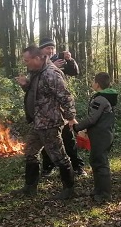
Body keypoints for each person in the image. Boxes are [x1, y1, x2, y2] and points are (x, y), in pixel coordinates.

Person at [13, 45, 78, 199]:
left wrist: (71, 117)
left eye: (27, 60)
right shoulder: (36, 72)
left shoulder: (51, 73)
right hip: (38, 122)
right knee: (30, 152)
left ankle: (69, 189)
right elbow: (38, 92)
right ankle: (30, 188)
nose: (25, 63)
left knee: (59, 156)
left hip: (50, 123)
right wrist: (25, 85)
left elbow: (65, 96)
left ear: (37, 58)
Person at [37, 37, 86, 177]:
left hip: (61, 109)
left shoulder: (58, 59)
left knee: (68, 139)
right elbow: (35, 82)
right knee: (47, 141)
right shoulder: (37, 63)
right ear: (41, 50)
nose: (51, 50)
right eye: (47, 48)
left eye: (52, 48)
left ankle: (77, 166)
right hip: (45, 112)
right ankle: (48, 167)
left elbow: (74, 72)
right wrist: (52, 66)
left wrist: (70, 60)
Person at [73, 72, 117, 204]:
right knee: (95, 161)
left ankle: (104, 194)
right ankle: (98, 190)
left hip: (101, 135)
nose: (92, 83)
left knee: (101, 163)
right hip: (104, 134)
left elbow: (92, 119)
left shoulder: (100, 99)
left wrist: (77, 127)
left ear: (97, 84)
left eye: (93, 81)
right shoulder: (107, 97)